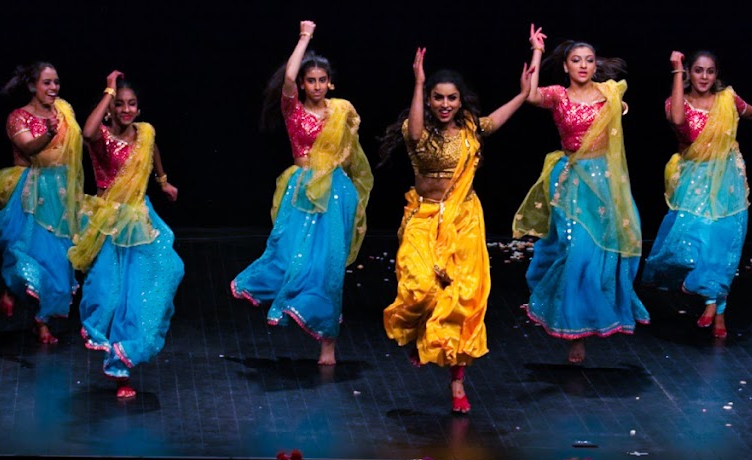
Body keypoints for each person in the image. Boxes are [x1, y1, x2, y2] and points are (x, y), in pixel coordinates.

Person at [379, 45, 533, 413]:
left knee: (463, 301)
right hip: (425, 219)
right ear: (429, 99)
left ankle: (458, 383)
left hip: (464, 220)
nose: (445, 104)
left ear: (461, 101)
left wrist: (525, 93)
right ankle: (421, 337)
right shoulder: (416, 130)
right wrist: (417, 82)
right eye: (438, 98)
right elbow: (415, 132)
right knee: (418, 286)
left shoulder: (469, 131)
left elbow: (497, 119)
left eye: (451, 98)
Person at [232, 21, 373, 366]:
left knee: (329, 267)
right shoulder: (292, 109)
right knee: (289, 255)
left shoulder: (340, 111)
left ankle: (328, 346)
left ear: (331, 82)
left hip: (336, 193)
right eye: (311, 80)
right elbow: (288, 78)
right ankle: (288, 302)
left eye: (322, 80)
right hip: (302, 192)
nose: (316, 86)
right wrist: (304, 38)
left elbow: (353, 159)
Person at [513, 27, 649, 363]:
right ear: (566, 67)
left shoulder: (609, 93)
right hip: (572, 179)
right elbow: (529, 96)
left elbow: (622, 111)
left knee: (602, 252)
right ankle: (574, 331)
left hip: (604, 182)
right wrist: (536, 51)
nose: (584, 65)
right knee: (574, 249)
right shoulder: (559, 95)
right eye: (576, 60)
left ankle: (594, 318)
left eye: (589, 60)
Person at [640, 50, 752, 338]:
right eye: (698, 70)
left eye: (710, 71)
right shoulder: (676, 100)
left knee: (723, 243)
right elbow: (676, 120)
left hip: (727, 181)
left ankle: (717, 310)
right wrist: (676, 71)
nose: (704, 77)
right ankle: (707, 297)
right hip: (693, 181)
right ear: (689, 73)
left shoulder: (727, 100)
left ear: (717, 74)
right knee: (694, 241)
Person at [69, 71, 184, 399]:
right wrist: (108, 89)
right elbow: (87, 131)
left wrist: (163, 182)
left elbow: (154, 150)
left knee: (152, 284)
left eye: (131, 104)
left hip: (140, 219)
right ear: (109, 107)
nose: (126, 109)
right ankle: (113, 354)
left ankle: (122, 364)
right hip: (109, 222)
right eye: (119, 104)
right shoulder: (102, 135)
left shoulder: (145, 133)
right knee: (109, 295)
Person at [0, 61, 83, 344]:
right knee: (30, 254)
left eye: (56, 82)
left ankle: (40, 320)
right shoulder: (17, 117)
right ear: (32, 86)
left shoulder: (64, 111)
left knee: (56, 260)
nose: (53, 88)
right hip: (31, 192)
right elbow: (29, 147)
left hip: (60, 193)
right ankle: (12, 288)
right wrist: (48, 133)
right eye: (47, 83)